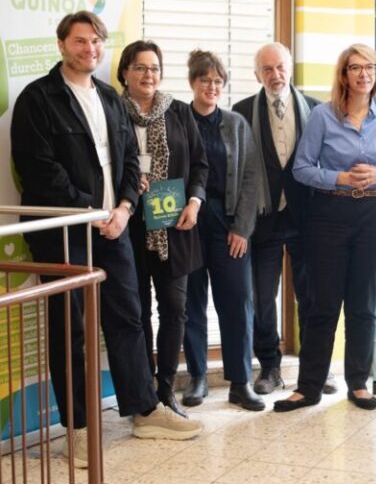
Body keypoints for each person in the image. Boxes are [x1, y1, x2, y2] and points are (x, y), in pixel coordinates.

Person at [10, 11, 202, 468]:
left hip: (114, 227)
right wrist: (90, 210)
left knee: (128, 318)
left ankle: (144, 410)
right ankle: (77, 429)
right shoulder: (39, 99)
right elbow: (38, 170)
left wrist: (124, 209)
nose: (89, 49)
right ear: (61, 45)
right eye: (80, 41)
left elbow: (130, 164)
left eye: (96, 42)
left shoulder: (110, 100)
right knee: (71, 328)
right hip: (63, 230)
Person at [274, 43, 376, 412]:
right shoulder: (322, 116)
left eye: (370, 67)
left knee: (362, 304)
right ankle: (308, 387)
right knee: (322, 305)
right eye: (356, 68)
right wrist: (340, 179)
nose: (364, 74)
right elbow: (302, 168)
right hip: (329, 217)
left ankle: (358, 383)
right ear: (344, 75)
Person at [231, 44, 332, 395]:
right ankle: (269, 367)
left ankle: (313, 369)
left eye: (280, 68)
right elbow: (239, 171)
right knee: (262, 297)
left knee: (312, 296)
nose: (275, 75)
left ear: (290, 69)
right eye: (267, 69)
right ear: (257, 74)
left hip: (307, 218)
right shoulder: (241, 112)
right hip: (264, 218)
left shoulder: (319, 110)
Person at [117, 40, 208, 418]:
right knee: (135, 313)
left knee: (174, 309)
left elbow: (200, 165)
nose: (148, 74)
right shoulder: (111, 111)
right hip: (128, 227)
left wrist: (195, 201)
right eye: (140, 67)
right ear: (125, 72)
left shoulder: (180, 112)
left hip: (174, 223)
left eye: (154, 67)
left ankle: (167, 388)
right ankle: (143, 393)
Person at [182, 50, 270, 411]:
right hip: (185, 224)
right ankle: (198, 377)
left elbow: (251, 179)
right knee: (190, 302)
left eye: (218, 81)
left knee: (237, 302)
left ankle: (239, 381)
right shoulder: (176, 120)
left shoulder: (235, 124)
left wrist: (242, 230)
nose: (212, 87)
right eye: (205, 80)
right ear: (193, 82)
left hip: (228, 224)